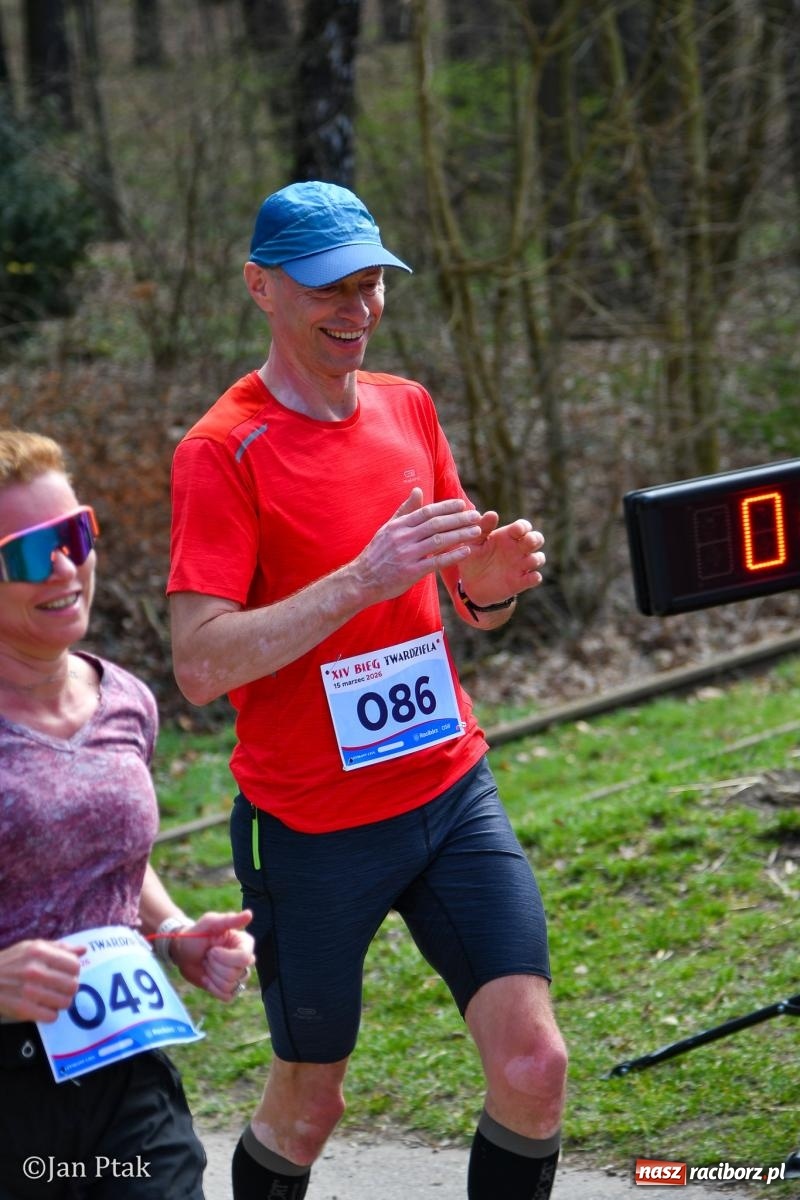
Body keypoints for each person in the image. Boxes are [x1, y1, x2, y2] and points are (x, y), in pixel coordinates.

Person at [167, 180, 568, 1200]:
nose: (355, 309)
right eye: (324, 289)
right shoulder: (222, 451)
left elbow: (464, 603)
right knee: (308, 1108)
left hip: (447, 792)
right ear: (261, 287)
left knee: (534, 1068)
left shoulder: (407, 406)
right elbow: (201, 663)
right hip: (310, 830)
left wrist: (487, 589)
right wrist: (361, 579)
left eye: (370, 284)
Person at [0, 430, 255, 1199]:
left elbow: (109, 854)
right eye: (25, 552)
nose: (65, 567)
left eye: (75, 535)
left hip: (124, 1066)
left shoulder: (126, 702)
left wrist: (175, 935)